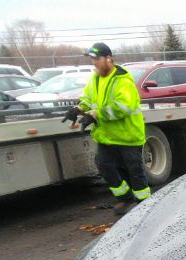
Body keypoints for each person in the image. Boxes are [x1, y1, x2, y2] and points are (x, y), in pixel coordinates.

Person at [62, 42, 149, 214]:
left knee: (135, 172)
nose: (94, 62)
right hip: (106, 136)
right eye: (92, 59)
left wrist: (95, 114)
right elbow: (87, 98)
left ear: (109, 59)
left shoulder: (122, 80)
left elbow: (123, 107)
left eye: (97, 58)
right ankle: (125, 198)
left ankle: (145, 205)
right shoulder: (95, 79)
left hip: (128, 136)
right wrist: (79, 108)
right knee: (104, 165)